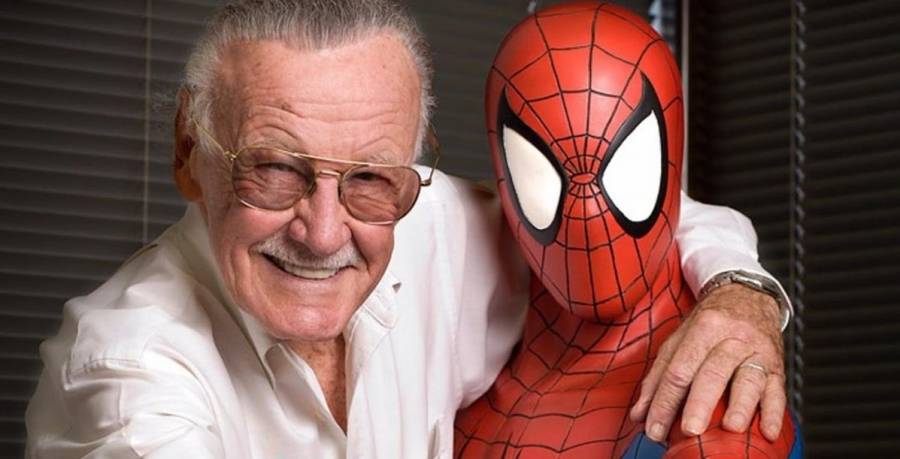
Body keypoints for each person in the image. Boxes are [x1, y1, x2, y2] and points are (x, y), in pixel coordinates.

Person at [25, 1, 791, 457]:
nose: (325, 232)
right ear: (190, 153)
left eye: (369, 178)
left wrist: (740, 294)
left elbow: (615, 216)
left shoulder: (429, 223)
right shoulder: (128, 383)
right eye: (276, 170)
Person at [454, 2, 800, 457]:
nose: (588, 214)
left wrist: (744, 293)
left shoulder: (713, 394)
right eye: (539, 170)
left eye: (625, 164)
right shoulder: (462, 358)